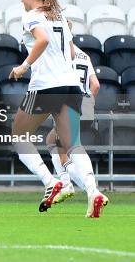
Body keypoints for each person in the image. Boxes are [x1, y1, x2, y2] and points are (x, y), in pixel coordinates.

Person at [9, 0, 108, 218]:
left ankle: (51, 181)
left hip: (45, 86)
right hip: (71, 86)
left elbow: (42, 39)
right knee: (72, 144)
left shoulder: (32, 15)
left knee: (19, 136)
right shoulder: (59, 17)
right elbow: (72, 52)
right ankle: (93, 192)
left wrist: (24, 65)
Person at [46, 20, 101, 205]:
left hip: (68, 105)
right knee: (55, 142)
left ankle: (86, 189)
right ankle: (72, 185)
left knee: (62, 149)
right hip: (85, 107)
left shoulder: (62, 54)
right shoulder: (84, 56)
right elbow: (96, 85)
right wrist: (87, 104)